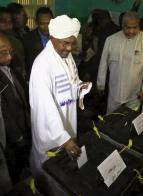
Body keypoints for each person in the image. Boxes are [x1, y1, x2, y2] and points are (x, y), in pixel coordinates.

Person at [29, 15, 91, 177]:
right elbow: (44, 107)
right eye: (66, 43)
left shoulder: (66, 55)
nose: (70, 48)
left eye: (73, 42)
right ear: (52, 38)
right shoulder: (42, 65)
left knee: (62, 169)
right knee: (47, 169)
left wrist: (79, 87)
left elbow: (72, 81)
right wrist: (63, 138)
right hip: (51, 131)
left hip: (67, 119)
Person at [0, 31, 31, 183]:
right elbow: (1, 109)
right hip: (12, 137)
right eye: (3, 53)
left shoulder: (11, 66)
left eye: (10, 51)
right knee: (13, 169)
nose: (9, 57)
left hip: (23, 129)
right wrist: (16, 135)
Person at [97, 11, 143, 113]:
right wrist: (100, 84)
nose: (131, 31)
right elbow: (103, 64)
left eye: (135, 27)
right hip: (114, 92)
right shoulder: (111, 40)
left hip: (135, 94)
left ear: (139, 25)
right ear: (122, 25)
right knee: (111, 119)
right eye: (127, 28)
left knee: (129, 120)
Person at [23, 6, 53, 80]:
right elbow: (26, 63)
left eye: (48, 23)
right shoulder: (27, 39)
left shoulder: (58, 37)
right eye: (42, 24)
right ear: (36, 22)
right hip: (36, 77)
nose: (46, 27)